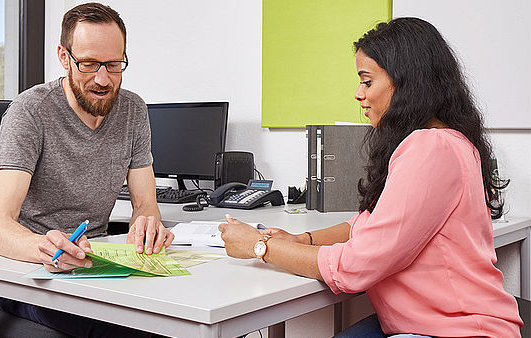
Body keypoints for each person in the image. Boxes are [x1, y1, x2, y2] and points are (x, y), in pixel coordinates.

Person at [219, 17, 523, 337]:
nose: (358, 94)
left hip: (458, 330)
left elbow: (356, 266)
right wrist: (298, 240)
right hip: (431, 322)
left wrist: (259, 247)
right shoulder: (444, 140)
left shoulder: (431, 148)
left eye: (367, 81)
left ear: (406, 83)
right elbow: (366, 225)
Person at [0, 2, 173, 336]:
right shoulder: (30, 111)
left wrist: (149, 225)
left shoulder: (133, 109)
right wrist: (45, 248)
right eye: (88, 64)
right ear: (63, 56)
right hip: (31, 272)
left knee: (185, 317)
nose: (103, 79)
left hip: (95, 267)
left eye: (114, 65)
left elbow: (145, 204)